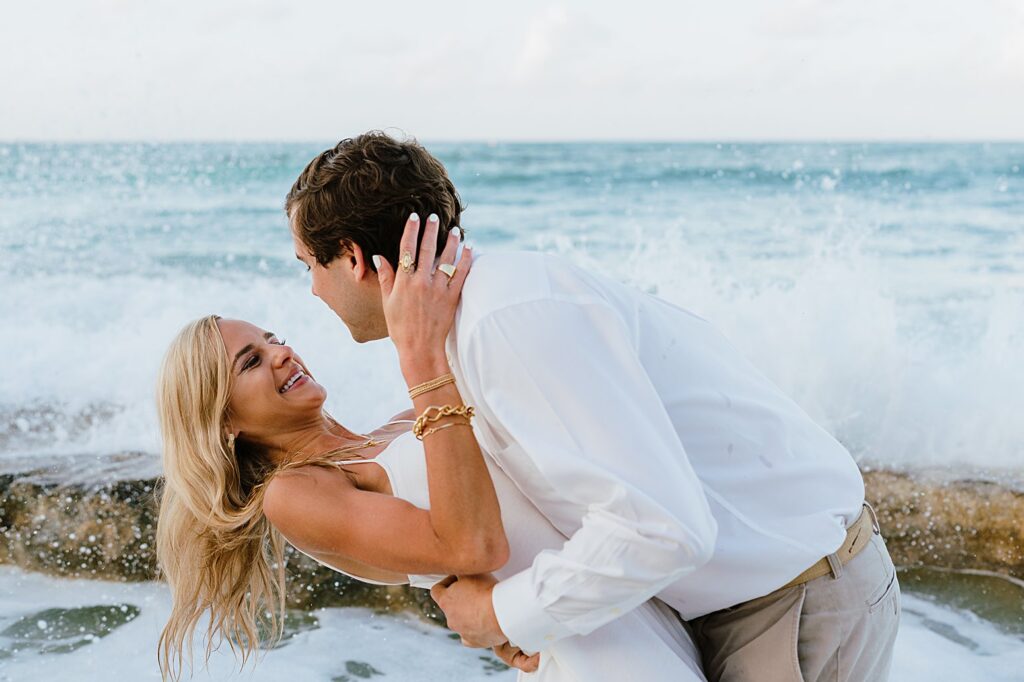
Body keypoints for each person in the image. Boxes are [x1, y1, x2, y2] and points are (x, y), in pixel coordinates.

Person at [283, 131, 902, 682]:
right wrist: (519, 616)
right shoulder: (472, 326)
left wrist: (501, 612)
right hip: (735, 604)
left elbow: (662, 528)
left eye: (310, 264)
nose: (312, 287)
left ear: (354, 258)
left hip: (792, 602)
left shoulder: (504, 321)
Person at [153, 216, 707, 681]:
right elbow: (474, 546)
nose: (281, 352)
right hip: (591, 659)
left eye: (271, 337)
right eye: (250, 361)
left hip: (621, 606)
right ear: (223, 423)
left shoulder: (399, 424)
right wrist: (420, 357)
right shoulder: (294, 493)